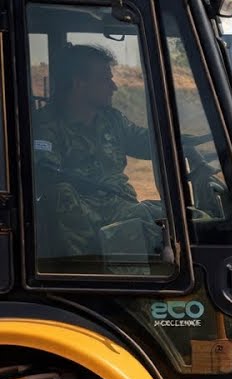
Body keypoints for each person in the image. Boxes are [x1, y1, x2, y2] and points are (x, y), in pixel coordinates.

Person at [32, 43, 166, 267]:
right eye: (105, 79)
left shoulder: (111, 119)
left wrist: (184, 142)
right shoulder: (45, 127)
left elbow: (146, 142)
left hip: (123, 205)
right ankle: (83, 271)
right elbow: (47, 177)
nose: (114, 87)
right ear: (79, 83)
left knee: (183, 220)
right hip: (91, 217)